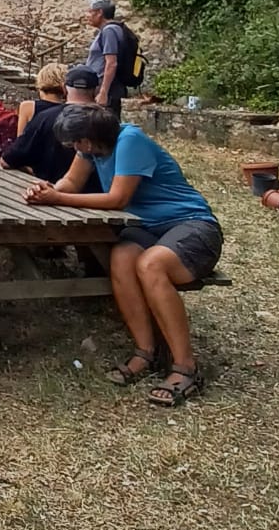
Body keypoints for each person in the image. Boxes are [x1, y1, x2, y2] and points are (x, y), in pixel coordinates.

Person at [26, 105, 222, 408]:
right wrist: (47, 190)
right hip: (147, 229)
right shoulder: (92, 148)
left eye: (77, 143)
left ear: (89, 138)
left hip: (193, 226)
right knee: (121, 258)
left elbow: (118, 198)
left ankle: (186, 367)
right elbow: (71, 182)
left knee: (151, 264)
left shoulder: (130, 140)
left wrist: (59, 198)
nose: (75, 149)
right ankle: (147, 352)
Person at [3, 64, 97, 183]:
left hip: (46, 181)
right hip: (93, 191)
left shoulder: (41, 115)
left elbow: (12, 155)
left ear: (64, 87)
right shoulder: (106, 119)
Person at [84, 0, 140, 118]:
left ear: (99, 13)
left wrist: (103, 92)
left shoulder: (109, 31)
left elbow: (111, 63)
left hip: (109, 90)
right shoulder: (112, 29)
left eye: (89, 11)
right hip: (110, 88)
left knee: (105, 128)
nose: (86, 15)